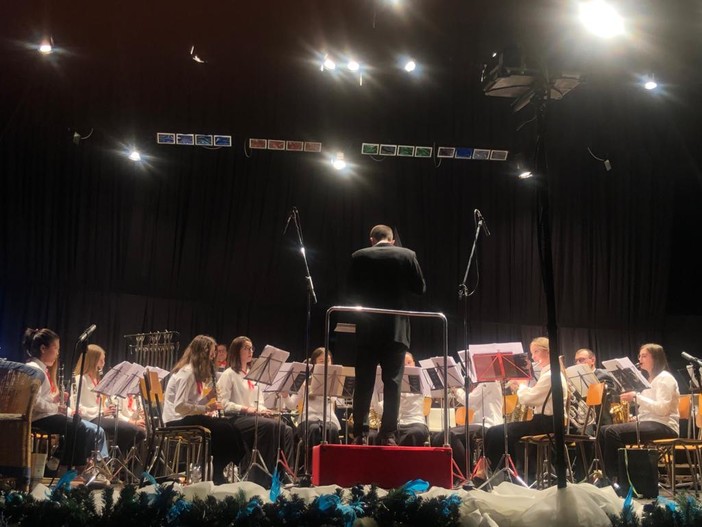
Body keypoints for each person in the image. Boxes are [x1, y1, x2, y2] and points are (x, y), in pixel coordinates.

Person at [347, 224, 425, 445]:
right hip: (396, 329)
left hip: (368, 328)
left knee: (364, 382)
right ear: (391, 240)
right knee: (393, 383)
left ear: (372, 240)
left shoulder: (359, 256)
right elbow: (420, 289)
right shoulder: (407, 255)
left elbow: (350, 290)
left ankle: (360, 434)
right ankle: (388, 434)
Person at [162, 334, 244, 485]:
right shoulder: (188, 373)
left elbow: (191, 403)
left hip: (184, 417)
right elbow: (180, 407)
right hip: (176, 420)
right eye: (212, 354)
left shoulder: (194, 372)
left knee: (232, 428)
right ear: (203, 354)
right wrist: (206, 407)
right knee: (222, 428)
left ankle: (222, 468)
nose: (213, 358)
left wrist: (208, 398)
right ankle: (218, 472)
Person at [24, 327, 108, 472]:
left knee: (77, 423)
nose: (57, 353)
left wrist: (55, 398)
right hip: (37, 417)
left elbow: (41, 397)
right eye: (55, 348)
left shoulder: (41, 369)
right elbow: (34, 402)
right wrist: (56, 408)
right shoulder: (35, 369)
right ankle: (72, 468)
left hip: (45, 414)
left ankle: (59, 461)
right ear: (43, 349)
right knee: (78, 426)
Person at [484, 337, 567, 479]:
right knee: (495, 431)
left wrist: (519, 385)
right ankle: (499, 470)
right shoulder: (549, 374)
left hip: (547, 424)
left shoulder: (551, 375)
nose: (533, 357)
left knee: (499, 432)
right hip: (543, 421)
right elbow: (533, 396)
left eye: (536, 352)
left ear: (548, 352)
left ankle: (495, 472)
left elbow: (528, 399)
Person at [217, 336, 294, 487]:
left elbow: (260, 403)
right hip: (236, 419)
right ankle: (261, 478)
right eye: (246, 348)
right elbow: (223, 404)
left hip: (252, 417)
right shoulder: (229, 374)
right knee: (270, 426)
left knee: (286, 429)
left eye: (251, 348)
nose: (250, 351)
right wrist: (248, 409)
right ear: (236, 351)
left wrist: (265, 411)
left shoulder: (253, 376)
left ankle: (282, 475)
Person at [597, 343, 679, 482]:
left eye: (644, 356)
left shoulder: (665, 378)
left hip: (665, 425)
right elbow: (649, 411)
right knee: (603, 429)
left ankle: (618, 478)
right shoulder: (647, 380)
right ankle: (606, 474)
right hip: (650, 423)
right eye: (639, 355)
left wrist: (636, 397)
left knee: (612, 432)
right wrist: (636, 418)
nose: (640, 358)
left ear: (656, 358)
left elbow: (662, 410)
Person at [72, 344, 146, 456]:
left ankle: (118, 461)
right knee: (131, 430)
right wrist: (102, 411)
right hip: (90, 418)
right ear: (92, 360)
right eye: (101, 360)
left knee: (139, 432)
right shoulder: (80, 379)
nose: (103, 363)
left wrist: (107, 409)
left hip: (100, 416)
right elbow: (79, 408)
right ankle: (114, 460)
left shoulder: (96, 380)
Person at [284, 347, 342, 470]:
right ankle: (311, 469)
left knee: (332, 430)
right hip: (308, 419)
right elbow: (291, 405)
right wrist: (284, 395)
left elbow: (335, 401)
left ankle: (332, 469)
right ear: (314, 364)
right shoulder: (305, 382)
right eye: (321, 361)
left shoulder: (334, 381)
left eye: (328, 360)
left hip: (328, 419)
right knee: (314, 429)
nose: (326, 364)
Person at [372, 352, 429, 446]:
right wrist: (375, 393)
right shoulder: (393, 384)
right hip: (396, 425)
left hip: (416, 422)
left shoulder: (422, 380)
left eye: (409, 362)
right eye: (403, 363)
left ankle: (398, 456)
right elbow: (380, 409)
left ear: (414, 363)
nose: (406, 365)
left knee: (413, 434)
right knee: (383, 437)